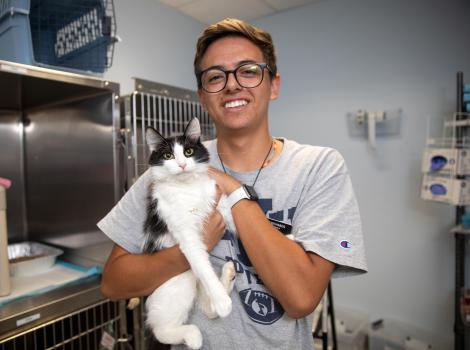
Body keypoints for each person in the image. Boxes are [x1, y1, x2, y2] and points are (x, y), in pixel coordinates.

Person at [98, 18, 367, 349]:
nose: (232, 85)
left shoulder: (318, 167)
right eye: (215, 77)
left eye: (249, 71)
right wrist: (191, 250)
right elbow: (113, 283)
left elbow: (301, 298)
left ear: (274, 85)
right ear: (202, 96)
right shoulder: (167, 173)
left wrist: (234, 191)